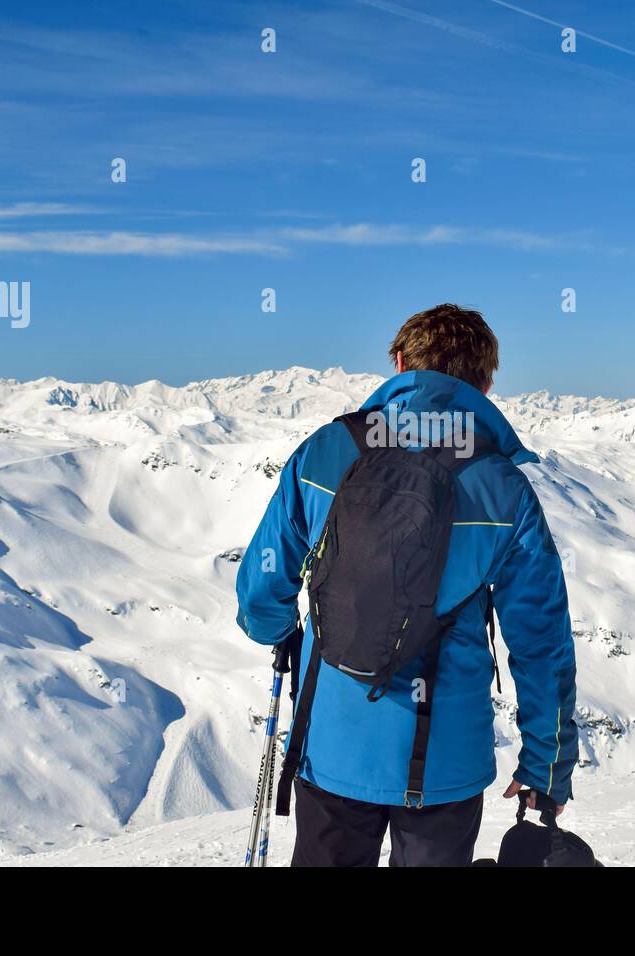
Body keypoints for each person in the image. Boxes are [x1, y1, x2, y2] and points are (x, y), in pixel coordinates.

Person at [235, 304, 577, 866]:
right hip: (447, 763)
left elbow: (260, 591)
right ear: (486, 382)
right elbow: (541, 642)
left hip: (331, 747)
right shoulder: (502, 486)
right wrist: (545, 761)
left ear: (398, 363)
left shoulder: (326, 450)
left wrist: (280, 631)